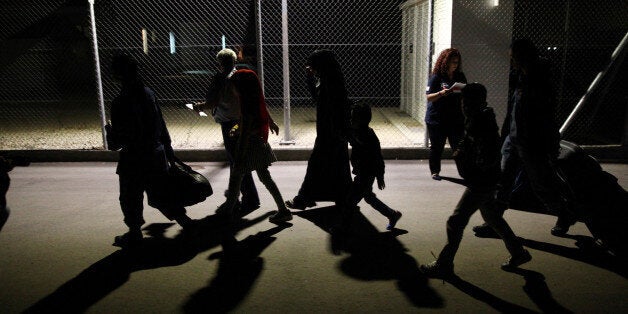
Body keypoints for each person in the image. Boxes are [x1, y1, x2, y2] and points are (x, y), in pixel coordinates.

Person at [420, 83, 531, 278]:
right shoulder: (480, 116)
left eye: (465, 100)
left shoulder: (480, 121)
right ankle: (519, 252)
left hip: (482, 180)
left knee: (455, 221)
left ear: (472, 102)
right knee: (492, 217)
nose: (462, 104)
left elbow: (487, 157)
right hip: (486, 178)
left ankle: (444, 264)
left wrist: (472, 168)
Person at [472, 39, 576, 237]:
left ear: (524, 57)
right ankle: (494, 222)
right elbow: (513, 109)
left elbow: (545, 115)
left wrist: (546, 143)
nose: (512, 62)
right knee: (502, 182)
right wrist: (505, 135)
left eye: (514, 58)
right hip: (514, 138)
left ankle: (565, 213)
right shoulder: (519, 76)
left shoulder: (541, 80)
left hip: (532, 142)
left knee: (541, 184)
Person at [106, 54, 195, 247]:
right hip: (155, 153)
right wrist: (169, 151)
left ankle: (135, 232)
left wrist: (109, 135)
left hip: (133, 157)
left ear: (118, 75)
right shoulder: (148, 94)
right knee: (162, 191)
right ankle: (185, 222)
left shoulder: (120, 102)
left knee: (130, 196)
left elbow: (118, 140)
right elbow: (161, 124)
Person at [195, 48, 278, 215]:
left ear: (219, 63)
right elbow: (257, 100)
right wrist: (270, 120)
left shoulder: (224, 79)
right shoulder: (240, 76)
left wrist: (199, 106)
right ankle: (243, 198)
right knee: (241, 163)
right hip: (241, 121)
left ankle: (244, 200)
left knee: (239, 162)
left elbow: (214, 102)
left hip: (232, 124)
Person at [217, 68, 293, 224]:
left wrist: (239, 154)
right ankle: (283, 210)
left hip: (249, 146)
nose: (232, 90)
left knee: (236, 177)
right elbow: (259, 114)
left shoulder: (246, 108)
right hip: (258, 143)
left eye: (234, 87)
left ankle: (227, 213)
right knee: (264, 177)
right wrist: (268, 122)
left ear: (241, 88)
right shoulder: (253, 100)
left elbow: (245, 132)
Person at [285, 49, 352, 210]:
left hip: (329, 133)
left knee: (317, 165)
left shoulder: (330, 83)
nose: (312, 69)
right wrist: (309, 79)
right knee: (337, 166)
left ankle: (304, 198)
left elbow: (333, 108)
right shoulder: (330, 80)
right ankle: (342, 197)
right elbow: (318, 99)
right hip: (332, 132)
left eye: (313, 66)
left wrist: (335, 132)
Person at [342, 102, 402, 230]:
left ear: (362, 120)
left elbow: (378, 158)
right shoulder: (358, 131)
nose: (351, 120)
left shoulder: (367, 136)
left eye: (354, 118)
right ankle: (392, 214)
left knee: (350, 201)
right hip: (363, 172)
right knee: (368, 197)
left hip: (366, 174)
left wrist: (380, 176)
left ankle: (342, 227)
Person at [425, 48, 467, 180]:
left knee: (459, 147)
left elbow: (464, 93)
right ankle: (435, 171)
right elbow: (429, 97)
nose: (455, 64)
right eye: (452, 62)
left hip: (455, 118)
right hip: (437, 118)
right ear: (445, 61)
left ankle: (465, 172)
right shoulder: (437, 77)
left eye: (457, 62)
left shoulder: (460, 76)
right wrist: (441, 93)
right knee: (437, 147)